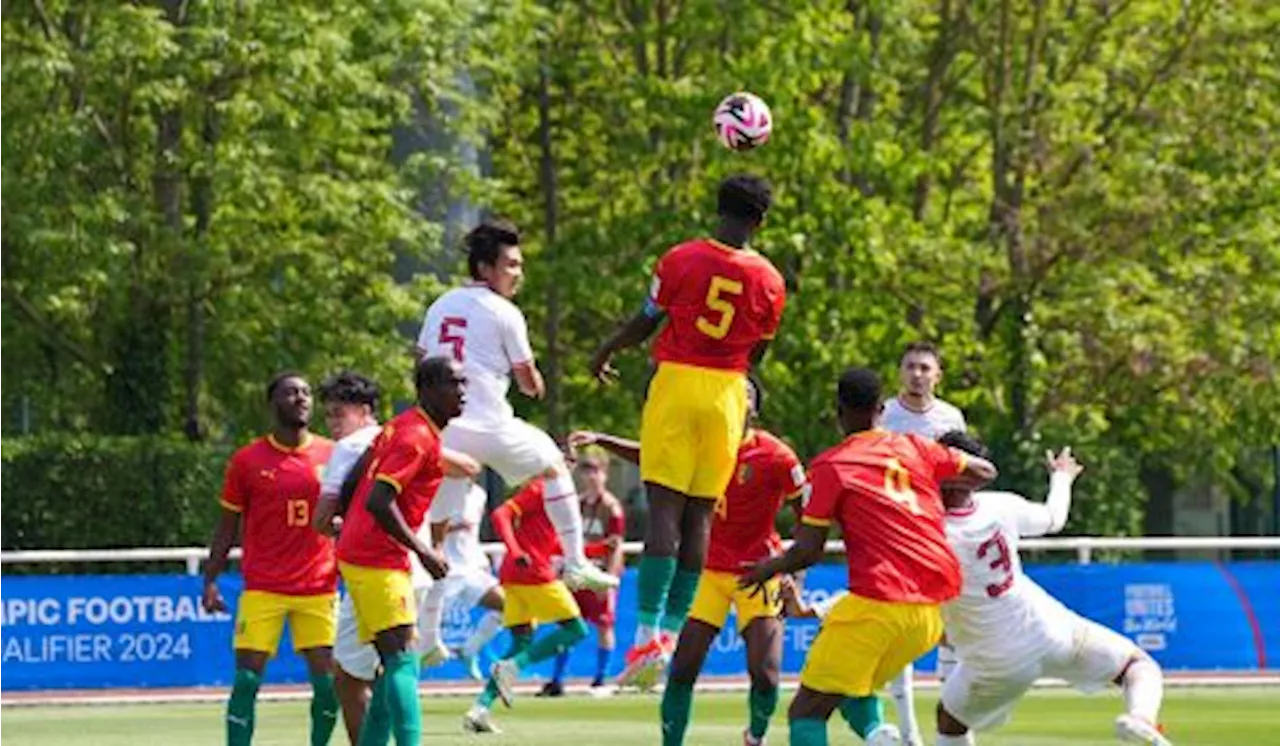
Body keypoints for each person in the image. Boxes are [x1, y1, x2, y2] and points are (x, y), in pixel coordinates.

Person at [589, 174, 788, 682]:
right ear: (761, 221)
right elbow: (758, 350)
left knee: (663, 513)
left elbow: (646, 319)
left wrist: (609, 348)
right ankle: (670, 636)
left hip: (677, 384)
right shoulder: (770, 281)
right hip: (727, 394)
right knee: (700, 517)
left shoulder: (681, 258)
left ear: (717, 207)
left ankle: (644, 636)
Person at [737, 367, 996, 746]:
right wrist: (936, 484)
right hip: (931, 613)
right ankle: (880, 737)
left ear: (839, 410)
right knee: (849, 688)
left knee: (806, 711)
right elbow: (985, 470)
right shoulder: (915, 447)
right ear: (880, 408)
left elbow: (809, 550)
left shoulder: (831, 466)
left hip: (881, 602)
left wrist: (767, 568)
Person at [572, 377, 806, 746]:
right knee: (682, 669)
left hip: (758, 573)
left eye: (744, 394)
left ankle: (755, 736)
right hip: (707, 573)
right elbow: (653, 456)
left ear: (754, 408)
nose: (735, 397)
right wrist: (603, 440)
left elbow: (808, 515)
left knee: (766, 673)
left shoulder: (777, 456)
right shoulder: (701, 445)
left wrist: (794, 571)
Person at [933, 430, 1172, 746]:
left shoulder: (926, 529)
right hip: (1048, 629)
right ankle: (1140, 717)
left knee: (950, 721)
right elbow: (1053, 518)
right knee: (1137, 666)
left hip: (995, 659)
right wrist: (1061, 477)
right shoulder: (1001, 505)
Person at [416, 219, 616, 593]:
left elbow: (421, 361)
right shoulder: (503, 311)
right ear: (484, 268)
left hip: (445, 431)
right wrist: (536, 386)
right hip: (491, 425)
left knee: (440, 535)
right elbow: (528, 382)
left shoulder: (440, 305)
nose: (518, 274)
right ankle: (575, 563)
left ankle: (428, 638)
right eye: (511, 265)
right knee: (555, 467)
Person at [335, 357, 474, 746]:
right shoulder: (417, 437)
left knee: (391, 659)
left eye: (464, 383)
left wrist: (345, 518)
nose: (462, 392)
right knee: (401, 658)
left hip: (366, 551)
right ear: (427, 388)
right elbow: (381, 500)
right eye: (453, 384)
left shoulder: (404, 425)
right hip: (377, 557)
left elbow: (360, 474)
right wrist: (425, 552)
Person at [201, 372, 338, 746]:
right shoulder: (248, 460)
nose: (301, 398)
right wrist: (210, 579)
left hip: (319, 586)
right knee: (246, 680)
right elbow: (227, 526)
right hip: (264, 587)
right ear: (273, 403)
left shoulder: (332, 453)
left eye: (306, 392)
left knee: (328, 686)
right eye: (291, 392)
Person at [878, 341, 967, 745]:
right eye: (910, 366)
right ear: (900, 371)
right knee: (900, 626)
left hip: (940, 532)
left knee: (949, 622)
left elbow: (961, 473)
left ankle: (953, 722)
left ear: (938, 375)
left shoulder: (950, 418)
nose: (917, 374)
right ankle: (910, 730)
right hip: (894, 532)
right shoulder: (884, 416)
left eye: (925, 367)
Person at [463, 478, 590, 734]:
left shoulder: (555, 495)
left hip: (514, 574)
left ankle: (480, 709)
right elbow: (501, 514)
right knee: (576, 630)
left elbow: (550, 542)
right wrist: (515, 549)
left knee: (521, 642)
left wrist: (597, 549)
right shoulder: (541, 487)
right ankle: (513, 666)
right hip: (533, 573)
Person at [310, 371, 385, 744]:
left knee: (348, 675)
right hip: (415, 569)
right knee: (394, 668)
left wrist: (341, 527)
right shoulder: (403, 439)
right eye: (329, 416)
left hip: (371, 571)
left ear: (365, 411)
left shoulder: (351, 447)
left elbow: (320, 520)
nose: (333, 423)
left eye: (340, 413)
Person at [539, 448, 626, 696]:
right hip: (576, 573)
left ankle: (600, 678)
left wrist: (610, 578)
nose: (591, 476)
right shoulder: (575, 504)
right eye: (586, 470)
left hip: (598, 572)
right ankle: (556, 679)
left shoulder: (612, 508)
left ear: (605, 474)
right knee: (567, 623)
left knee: (604, 625)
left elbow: (616, 545)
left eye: (596, 470)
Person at [778, 578, 899, 743]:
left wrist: (791, 595)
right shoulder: (887, 599)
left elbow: (801, 613)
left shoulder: (849, 597)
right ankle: (875, 731)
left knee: (807, 710)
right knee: (857, 696)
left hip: (839, 655)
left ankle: (876, 735)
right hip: (886, 650)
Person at [417, 480, 506, 679]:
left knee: (509, 606)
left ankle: (470, 649)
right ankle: (407, 678)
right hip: (447, 571)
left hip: (473, 568)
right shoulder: (440, 491)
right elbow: (426, 527)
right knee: (425, 631)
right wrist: (450, 528)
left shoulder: (479, 494)